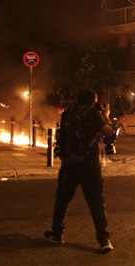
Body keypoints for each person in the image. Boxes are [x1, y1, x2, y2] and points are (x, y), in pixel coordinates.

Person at [44, 89, 114, 253]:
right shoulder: (93, 114)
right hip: (90, 165)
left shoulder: (68, 112)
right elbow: (108, 132)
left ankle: (56, 233)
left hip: (69, 163)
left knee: (62, 200)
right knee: (96, 202)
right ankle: (104, 240)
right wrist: (105, 114)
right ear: (93, 101)